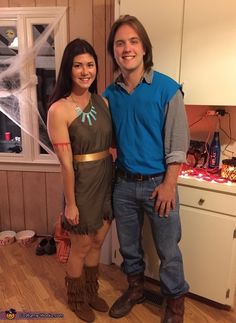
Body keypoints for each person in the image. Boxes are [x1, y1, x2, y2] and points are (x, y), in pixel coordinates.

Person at [103, 15, 189, 323]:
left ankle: (176, 305)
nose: (127, 48)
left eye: (133, 41)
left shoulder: (167, 89)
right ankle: (135, 289)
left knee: (169, 251)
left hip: (159, 185)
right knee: (129, 248)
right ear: (113, 51)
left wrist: (169, 184)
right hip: (124, 185)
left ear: (144, 48)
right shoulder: (109, 95)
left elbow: (178, 142)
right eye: (120, 43)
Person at [47, 38, 113, 323]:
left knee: (98, 240)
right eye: (78, 65)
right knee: (81, 245)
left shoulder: (104, 101)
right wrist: (70, 204)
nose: (85, 71)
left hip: (106, 177)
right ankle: (76, 299)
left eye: (90, 64)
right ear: (67, 70)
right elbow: (65, 165)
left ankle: (90, 290)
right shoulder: (59, 110)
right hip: (81, 182)